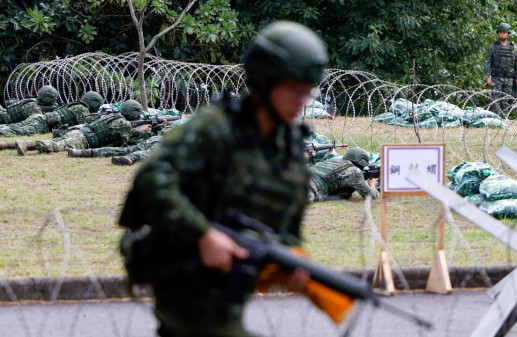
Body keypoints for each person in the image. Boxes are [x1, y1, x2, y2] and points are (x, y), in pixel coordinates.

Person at [118, 21, 328, 337]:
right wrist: (204, 235)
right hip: (183, 283)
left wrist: (291, 266)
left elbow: (285, 233)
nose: (302, 98)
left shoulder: (291, 154)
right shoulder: (217, 128)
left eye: (307, 90)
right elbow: (153, 178)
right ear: (265, 80)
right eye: (295, 88)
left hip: (230, 295)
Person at [17, 99, 151, 155]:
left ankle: (22, 144)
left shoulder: (115, 117)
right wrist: (145, 129)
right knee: (55, 146)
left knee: (57, 142)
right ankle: (27, 145)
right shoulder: (123, 124)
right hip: (83, 138)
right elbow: (132, 139)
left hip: (79, 131)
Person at [0, 90, 101, 138]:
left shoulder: (75, 106)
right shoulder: (82, 109)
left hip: (39, 118)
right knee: (16, 132)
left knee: (12, 127)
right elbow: (87, 124)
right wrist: (99, 116)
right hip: (42, 123)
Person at [308, 147, 379, 202]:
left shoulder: (333, 161)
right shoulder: (354, 171)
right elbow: (371, 196)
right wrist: (372, 184)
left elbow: (340, 194)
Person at [484, 22, 517, 115]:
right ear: (498, 33)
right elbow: (487, 63)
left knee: (507, 100)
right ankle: (496, 120)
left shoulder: (513, 48)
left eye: (504, 32)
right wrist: (487, 76)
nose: (502, 34)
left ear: (508, 34)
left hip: (509, 79)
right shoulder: (493, 47)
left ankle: (505, 119)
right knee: (496, 100)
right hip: (496, 78)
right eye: (500, 32)